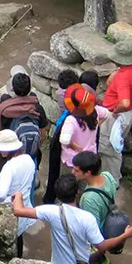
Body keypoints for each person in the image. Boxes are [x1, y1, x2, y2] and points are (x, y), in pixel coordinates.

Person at [12, 175, 132, 264]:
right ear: (77, 193)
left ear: (58, 195)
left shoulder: (52, 211)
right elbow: (101, 246)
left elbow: (18, 210)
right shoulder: (87, 218)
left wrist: (18, 195)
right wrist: (125, 235)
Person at [99, 41, 132, 183]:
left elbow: (124, 102)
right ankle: (108, 177)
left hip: (117, 115)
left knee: (109, 148)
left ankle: (111, 181)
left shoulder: (124, 78)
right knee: (114, 146)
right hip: (128, 113)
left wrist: (114, 111)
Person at [0, 129, 37, 256]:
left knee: (8, 241)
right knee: (19, 237)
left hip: (10, 206)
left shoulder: (9, 168)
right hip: (24, 203)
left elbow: (2, 194)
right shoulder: (29, 160)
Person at [0, 72, 49, 168]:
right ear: (29, 88)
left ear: (12, 88)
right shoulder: (37, 108)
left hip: (10, 157)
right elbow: (43, 135)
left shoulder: (4, 110)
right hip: (31, 155)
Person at [44, 69, 82, 204]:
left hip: (61, 127)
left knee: (55, 164)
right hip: (66, 130)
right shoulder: (75, 99)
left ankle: (50, 196)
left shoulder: (60, 93)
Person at [59, 84, 109, 175]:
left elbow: (64, 140)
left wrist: (74, 146)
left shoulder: (71, 120)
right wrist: (97, 125)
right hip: (89, 159)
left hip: (73, 162)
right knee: (84, 187)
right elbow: (107, 113)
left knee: (68, 185)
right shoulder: (96, 111)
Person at [71, 151, 118, 229]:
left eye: (76, 170)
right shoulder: (107, 175)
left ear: (88, 173)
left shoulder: (88, 199)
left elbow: (93, 228)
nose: (72, 172)